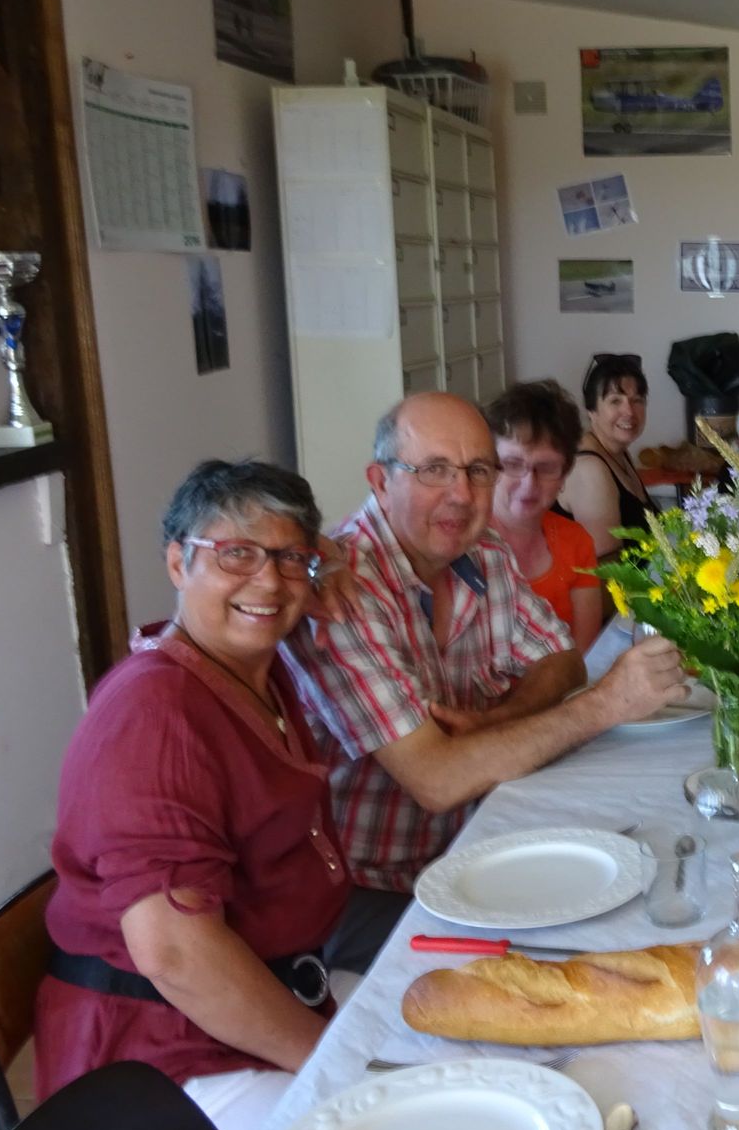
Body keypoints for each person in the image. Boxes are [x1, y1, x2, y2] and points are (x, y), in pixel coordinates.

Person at [287, 393, 687, 971]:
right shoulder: (341, 594)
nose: (462, 494)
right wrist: (606, 705)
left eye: (478, 470)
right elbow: (437, 779)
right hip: (367, 892)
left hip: (473, 844)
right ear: (380, 481)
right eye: (433, 470)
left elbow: (561, 660)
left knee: (649, 899)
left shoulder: (483, 551)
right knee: (581, 963)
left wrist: (494, 721)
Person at [37, 460, 348, 1130]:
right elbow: (177, 955)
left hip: (261, 1000)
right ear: (179, 563)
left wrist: (317, 568)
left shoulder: (250, 670)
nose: (267, 581)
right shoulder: (157, 713)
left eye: (289, 559)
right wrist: (334, 1063)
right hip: (163, 1056)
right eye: (235, 554)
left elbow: (323, 561)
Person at [483, 380, 602, 654]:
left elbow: (584, 657)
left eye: (546, 467)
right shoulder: (464, 544)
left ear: (565, 474)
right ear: (489, 465)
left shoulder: (576, 542)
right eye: (512, 464)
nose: (529, 484)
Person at [558, 352, 656, 564]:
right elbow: (606, 567)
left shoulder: (618, 452)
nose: (629, 411)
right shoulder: (589, 468)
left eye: (637, 400)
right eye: (615, 401)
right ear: (592, 410)